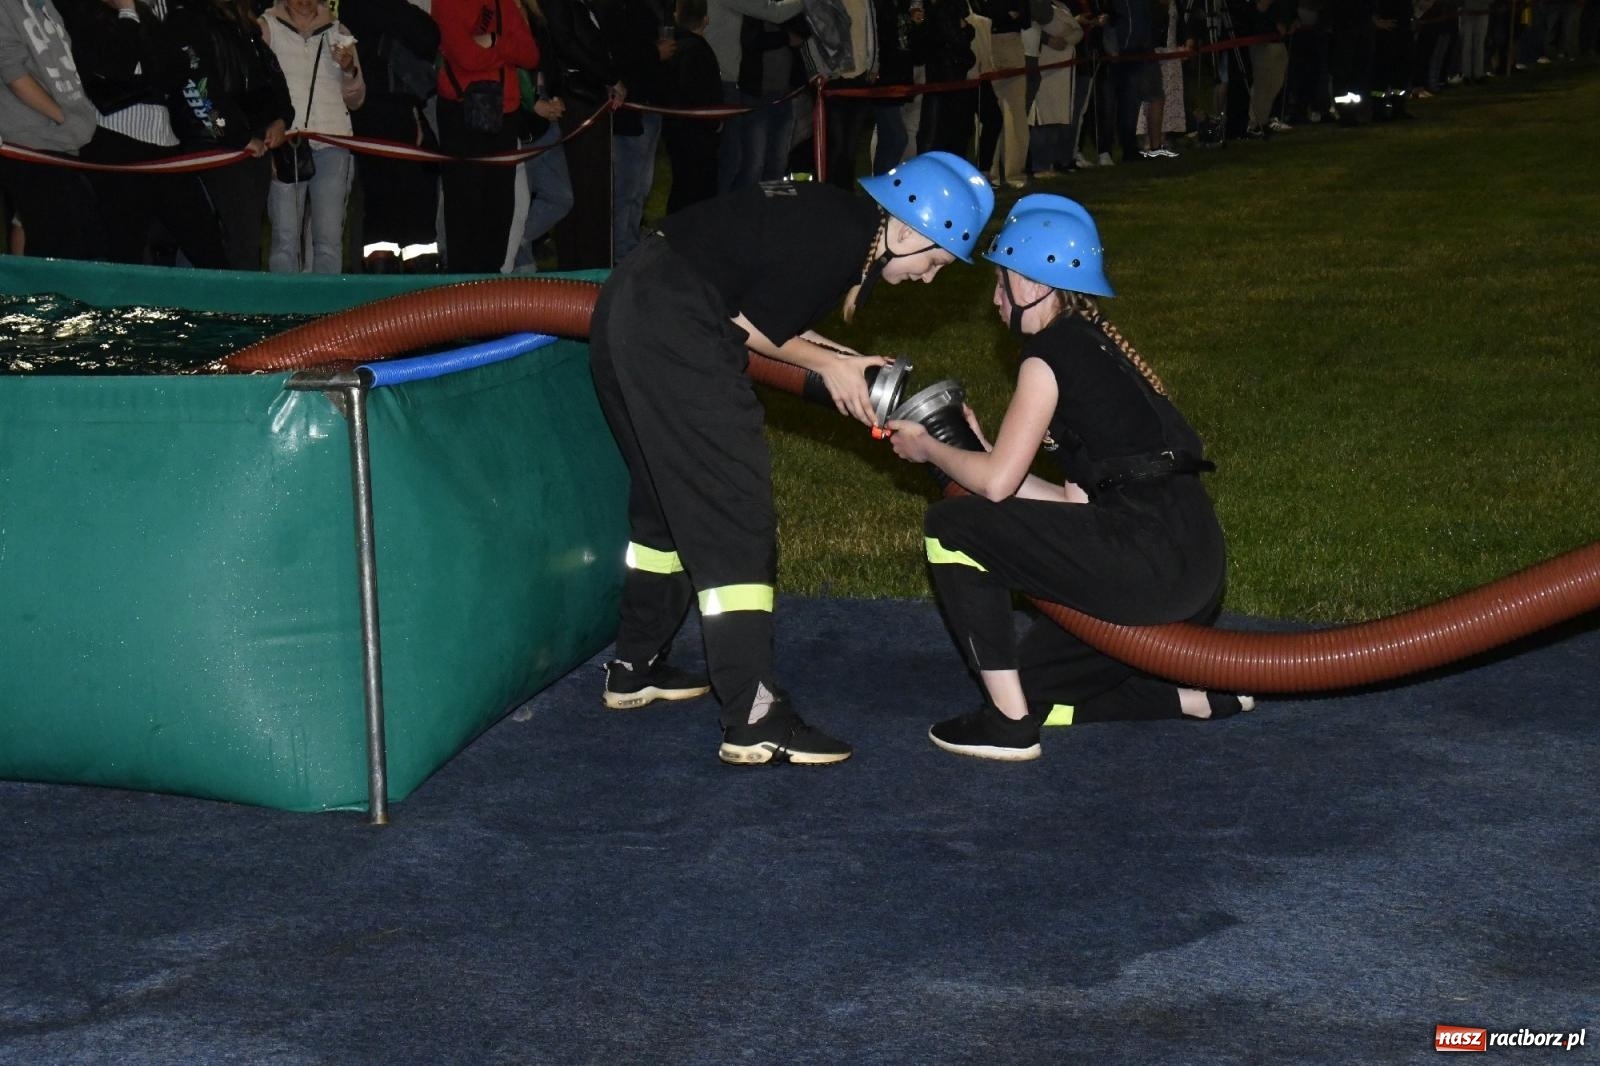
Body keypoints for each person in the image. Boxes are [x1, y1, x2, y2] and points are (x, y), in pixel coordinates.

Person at [588, 151, 994, 766]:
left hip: (631, 303)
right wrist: (832, 364)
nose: (930, 277)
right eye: (934, 261)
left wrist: (848, 361)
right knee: (734, 517)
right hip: (677, 326)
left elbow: (765, 315)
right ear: (907, 229)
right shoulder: (837, 238)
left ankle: (633, 665)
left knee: (663, 503)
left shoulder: (835, 219)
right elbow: (746, 325)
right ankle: (752, 717)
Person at [886, 194, 1251, 761]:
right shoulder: (1096, 348)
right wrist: (982, 451)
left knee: (951, 525)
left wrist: (929, 447)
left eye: (1001, 282)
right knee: (1035, 689)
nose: (995, 297)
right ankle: (1189, 698)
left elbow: (997, 486)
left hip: (1147, 562)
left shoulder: (1048, 353)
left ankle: (1007, 727)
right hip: (1193, 564)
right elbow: (1072, 505)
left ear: (1031, 285)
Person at [165, 0, 294, 270]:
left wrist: (281, 118)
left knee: (242, 240)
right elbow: (198, 87)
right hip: (212, 148)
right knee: (215, 242)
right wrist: (236, 136)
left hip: (250, 147)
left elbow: (272, 76)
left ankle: (235, 306)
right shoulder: (187, 20)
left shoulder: (243, 24)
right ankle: (227, 308)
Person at [260, 0, 365, 272]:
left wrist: (349, 69)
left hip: (334, 142)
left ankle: (325, 310)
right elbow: (258, 90)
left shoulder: (339, 30)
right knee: (284, 239)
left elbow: (356, 99)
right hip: (287, 144)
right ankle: (283, 310)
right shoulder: (265, 27)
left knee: (329, 240)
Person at [432, 0, 537, 272]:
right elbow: (464, 54)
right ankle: (462, 289)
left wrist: (493, 41)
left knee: (500, 207)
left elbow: (530, 54)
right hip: (461, 114)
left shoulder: (504, 4)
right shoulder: (446, 4)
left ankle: (491, 285)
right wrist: (504, 50)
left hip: (503, 113)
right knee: (465, 207)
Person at [0, 0, 103, 261]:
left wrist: (76, 121)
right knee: (56, 245)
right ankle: (40, 300)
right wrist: (64, 119)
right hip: (31, 144)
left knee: (80, 239)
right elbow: (13, 73)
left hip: (63, 143)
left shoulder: (48, 6)